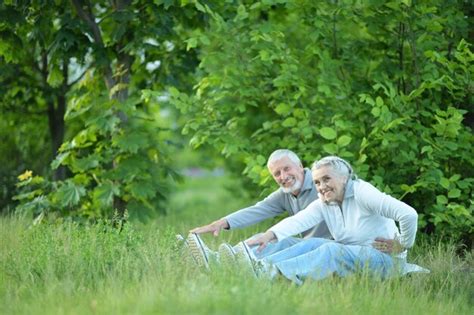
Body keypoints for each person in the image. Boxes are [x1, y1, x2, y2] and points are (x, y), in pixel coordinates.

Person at [241, 156, 429, 284]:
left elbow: (408, 214)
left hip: (386, 263)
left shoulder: (362, 192)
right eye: (316, 182)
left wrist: (403, 244)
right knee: (307, 242)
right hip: (353, 257)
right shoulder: (326, 201)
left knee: (331, 249)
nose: (321, 187)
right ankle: (243, 259)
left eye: (326, 179)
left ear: (344, 178)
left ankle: (270, 272)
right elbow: (298, 221)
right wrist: (268, 235)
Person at [180, 149, 331, 270]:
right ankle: (217, 260)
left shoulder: (321, 183)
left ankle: (240, 265)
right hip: (309, 245)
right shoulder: (285, 194)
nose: (283, 176)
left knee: (281, 242)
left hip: (332, 247)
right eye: (277, 174)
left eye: (287, 168)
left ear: (299, 166)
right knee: (266, 239)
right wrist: (220, 223)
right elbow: (256, 211)